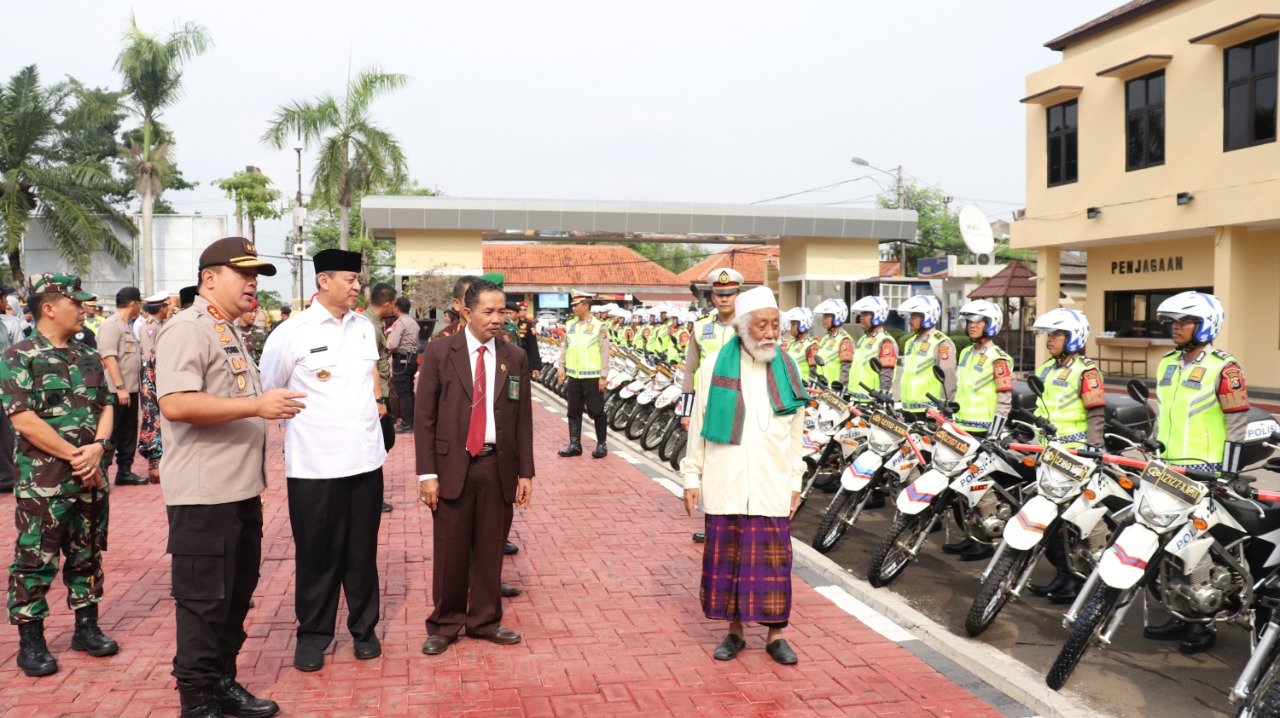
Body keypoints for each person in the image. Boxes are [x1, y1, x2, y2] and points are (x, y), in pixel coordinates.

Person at [156, 236, 293, 717]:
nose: (253, 283)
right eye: (244, 274)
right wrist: (257, 405)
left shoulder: (225, 328)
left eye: (256, 275)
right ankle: (196, 700)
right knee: (203, 603)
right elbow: (176, 403)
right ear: (209, 278)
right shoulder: (187, 329)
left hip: (238, 491)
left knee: (234, 597)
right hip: (203, 496)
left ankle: (222, 682)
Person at [260, 248, 387, 673]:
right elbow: (270, 389)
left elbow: (369, 379)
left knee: (362, 553)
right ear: (324, 281)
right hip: (314, 466)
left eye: (358, 279)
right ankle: (313, 636)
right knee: (317, 556)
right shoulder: (291, 332)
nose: (357, 287)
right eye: (350, 279)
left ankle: (364, 631)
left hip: (365, 461)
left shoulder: (363, 327)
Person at [680, 286, 805, 666]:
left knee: (775, 565)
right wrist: (691, 476)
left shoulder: (788, 367)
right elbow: (698, 426)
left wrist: (796, 481)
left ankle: (776, 635)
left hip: (772, 483)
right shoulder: (715, 365)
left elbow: (796, 433)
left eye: (775, 325)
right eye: (761, 325)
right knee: (730, 562)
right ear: (742, 327)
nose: (770, 333)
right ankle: (734, 632)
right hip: (727, 480)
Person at [2, 273, 118, 678]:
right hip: (45, 481)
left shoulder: (88, 354)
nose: (84, 309)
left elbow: (106, 404)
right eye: (76, 303)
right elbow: (23, 420)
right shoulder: (20, 357)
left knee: (87, 552)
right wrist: (76, 456)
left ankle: (86, 627)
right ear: (49, 308)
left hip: (90, 476)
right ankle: (31, 640)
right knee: (35, 557)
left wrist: (98, 448)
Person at [415, 278, 535, 655]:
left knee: (490, 549)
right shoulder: (440, 351)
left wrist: (526, 472)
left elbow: (523, 419)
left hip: (497, 466)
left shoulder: (514, 357)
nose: (497, 318)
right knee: (450, 551)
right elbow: (424, 417)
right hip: (453, 466)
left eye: (502, 311)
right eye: (489, 311)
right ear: (467, 312)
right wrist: (427, 473)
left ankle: (484, 621)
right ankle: (445, 623)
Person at [1142, 291, 1248, 654]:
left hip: (1204, 472)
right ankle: (1178, 611)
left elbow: (1237, 423)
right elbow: (1164, 414)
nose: (1176, 327)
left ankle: (1202, 625)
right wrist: (1152, 445)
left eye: (1185, 321)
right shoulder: (1167, 363)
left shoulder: (1225, 367)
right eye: (1174, 322)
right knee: (1168, 546)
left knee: (1197, 548)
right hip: (1166, 468)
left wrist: (1228, 472)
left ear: (1205, 326)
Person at [1024, 307, 1106, 606]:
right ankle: (1062, 573)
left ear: (1073, 337)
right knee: (1049, 521)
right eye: (1049, 334)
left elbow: (1096, 415)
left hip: (1073, 455)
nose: (1050, 339)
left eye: (1057, 334)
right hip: (1048, 454)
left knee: (1070, 521)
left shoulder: (1087, 372)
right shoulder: (1047, 368)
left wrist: (1093, 451)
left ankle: (1075, 579)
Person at [946, 299, 1014, 562]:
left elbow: (1004, 399)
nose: (972, 326)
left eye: (978, 321)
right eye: (969, 321)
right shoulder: (966, 353)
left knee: (980, 488)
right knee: (961, 489)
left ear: (990, 324)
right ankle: (970, 535)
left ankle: (984, 541)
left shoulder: (999, 359)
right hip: (961, 430)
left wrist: (994, 434)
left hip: (984, 433)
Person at [678, 269, 743, 428]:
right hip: (704, 398)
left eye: (729, 294)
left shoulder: (747, 326)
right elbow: (690, 369)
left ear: (738, 296)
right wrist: (686, 412)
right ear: (713, 297)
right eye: (720, 295)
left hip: (738, 399)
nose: (724, 299)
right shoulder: (701, 325)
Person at [97, 286, 146, 486]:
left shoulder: (127, 325)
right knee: (111, 432)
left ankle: (124, 471)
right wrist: (119, 387)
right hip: (115, 391)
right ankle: (101, 473)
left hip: (130, 389)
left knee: (128, 432)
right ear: (133, 303)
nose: (140, 307)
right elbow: (109, 357)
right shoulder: (111, 325)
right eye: (139, 303)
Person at [556, 290, 611, 459]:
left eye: (576, 305)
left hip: (592, 376)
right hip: (574, 376)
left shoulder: (599, 326)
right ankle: (575, 445)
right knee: (573, 411)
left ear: (585, 306)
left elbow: (605, 352)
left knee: (596, 411)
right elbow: (565, 348)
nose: (573, 308)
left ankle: (601, 444)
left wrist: (603, 376)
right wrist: (561, 368)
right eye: (572, 305)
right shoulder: (570, 325)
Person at [895, 295, 957, 418]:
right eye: (910, 315)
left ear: (927, 316)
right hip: (908, 410)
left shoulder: (941, 343)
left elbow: (948, 379)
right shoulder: (910, 342)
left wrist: (944, 412)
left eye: (914, 316)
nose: (910, 319)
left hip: (930, 412)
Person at [367, 283, 398, 514]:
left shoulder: (376, 322)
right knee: (377, 445)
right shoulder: (368, 325)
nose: (394, 308)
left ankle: (373, 495)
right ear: (386, 304)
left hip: (383, 391)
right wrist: (378, 399)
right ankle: (372, 498)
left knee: (384, 442)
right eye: (393, 304)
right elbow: (371, 365)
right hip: (375, 394)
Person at [138, 291, 174, 484]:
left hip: (160, 372)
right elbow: (150, 356)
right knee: (154, 414)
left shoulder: (161, 325)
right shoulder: (150, 327)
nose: (169, 309)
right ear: (161, 308)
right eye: (167, 306)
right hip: (153, 374)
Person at [847, 295, 898, 404]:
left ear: (877, 315)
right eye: (861, 314)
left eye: (865, 314)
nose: (861, 317)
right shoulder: (863, 339)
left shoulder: (885, 341)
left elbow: (887, 371)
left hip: (874, 402)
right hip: (856, 400)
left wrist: (883, 393)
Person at [388, 296, 421, 434]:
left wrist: (385, 348)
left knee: (403, 392)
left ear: (397, 308)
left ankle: (407, 423)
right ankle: (412, 420)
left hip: (402, 358)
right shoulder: (413, 322)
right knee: (409, 390)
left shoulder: (399, 323)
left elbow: (392, 344)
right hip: (412, 358)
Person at [812, 298, 853, 388]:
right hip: (821, 388)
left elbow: (845, 369)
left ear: (837, 317)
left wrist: (840, 388)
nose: (823, 319)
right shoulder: (825, 338)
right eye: (823, 316)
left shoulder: (844, 339)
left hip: (834, 390)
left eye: (827, 316)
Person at [781, 307, 818, 382]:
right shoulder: (790, 343)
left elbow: (813, 371)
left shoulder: (811, 345)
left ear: (803, 324)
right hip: (790, 383)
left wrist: (810, 385)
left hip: (803, 385)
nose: (790, 327)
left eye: (793, 324)